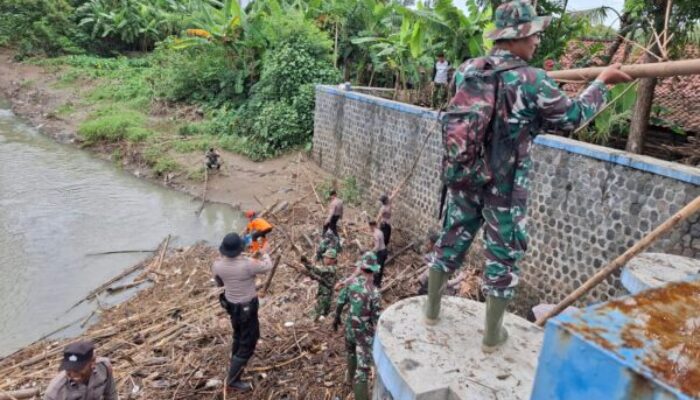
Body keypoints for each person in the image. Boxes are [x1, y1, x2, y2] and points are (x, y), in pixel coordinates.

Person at [423, 0, 632, 353]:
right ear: (516, 37)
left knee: (451, 239)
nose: (536, 41)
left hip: (466, 174)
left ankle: (430, 311)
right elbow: (573, 116)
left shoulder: (468, 70)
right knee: (503, 255)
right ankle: (492, 337)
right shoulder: (532, 80)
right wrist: (602, 81)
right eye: (533, 34)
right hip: (505, 185)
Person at [212, 233, 273, 393]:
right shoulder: (248, 264)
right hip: (247, 308)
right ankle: (232, 380)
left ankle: (235, 363)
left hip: (232, 306)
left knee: (238, 335)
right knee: (249, 341)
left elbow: (220, 280)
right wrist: (265, 252)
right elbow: (267, 266)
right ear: (240, 248)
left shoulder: (217, 265)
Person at [333, 253, 381, 400]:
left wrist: (336, 317)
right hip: (363, 334)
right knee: (363, 371)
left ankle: (349, 380)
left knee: (351, 353)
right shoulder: (374, 292)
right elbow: (376, 319)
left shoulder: (352, 284)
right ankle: (357, 387)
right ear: (373, 271)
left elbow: (341, 301)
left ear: (361, 268)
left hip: (350, 328)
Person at [44, 340, 118, 400]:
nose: (72, 375)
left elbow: (111, 395)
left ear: (92, 362)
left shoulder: (104, 367)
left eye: (77, 369)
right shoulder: (54, 393)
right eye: (68, 370)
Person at [301, 249, 339, 320]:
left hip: (325, 297)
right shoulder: (329, 268)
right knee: (311, 315)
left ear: (332, 260)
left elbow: (318, 270)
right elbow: (317, 275)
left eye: (326, 257)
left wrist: (306, 263)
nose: (324, 259)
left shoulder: (332, 269)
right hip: (323, 295)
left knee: (312, 317)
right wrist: (308, 270)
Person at [368, 220, 388, 288]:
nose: (370, 228)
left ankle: (375, 284)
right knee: (381, 269)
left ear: (372, 226)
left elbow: (377, 246)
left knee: (376, 269)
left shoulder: (375, 234)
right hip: (385, 251)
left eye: (370, 227)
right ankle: (378, 284)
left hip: (380, 253)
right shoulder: (380, 232)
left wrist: (370, 252)